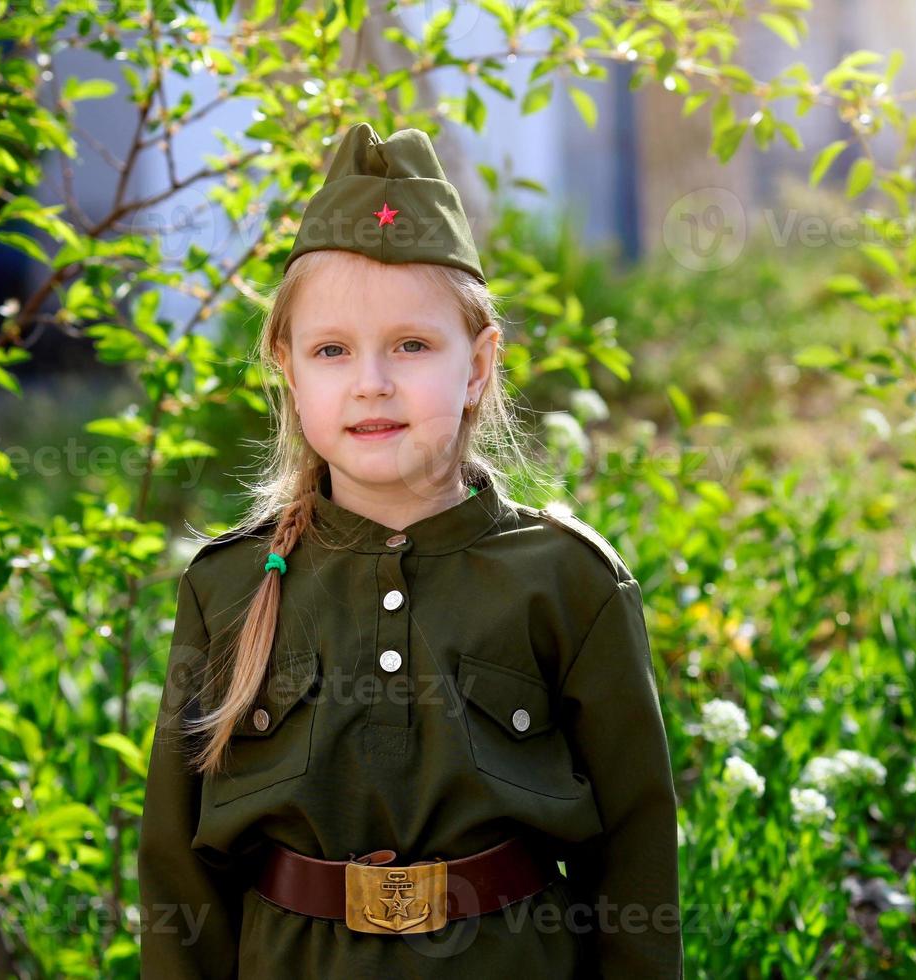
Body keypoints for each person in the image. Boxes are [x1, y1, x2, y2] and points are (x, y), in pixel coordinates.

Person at [137, 121, 681, 978]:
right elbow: (180, 876)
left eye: (413, 345)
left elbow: (637, 859)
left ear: (478, 365)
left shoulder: (569, 583)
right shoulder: (229, 587)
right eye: (331, 351)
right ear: (287, 366)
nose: (372, 382)